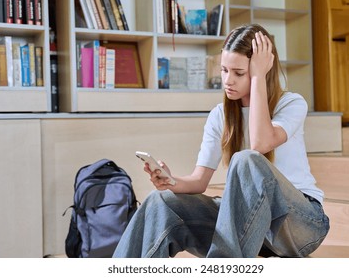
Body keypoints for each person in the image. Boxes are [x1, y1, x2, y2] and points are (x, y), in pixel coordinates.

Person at [113, 24, 330, 258]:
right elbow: (199, 181)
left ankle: (221, 267)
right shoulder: (220, 115)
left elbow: (261, 144)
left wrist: (258, 77)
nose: (228, 80)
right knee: (161, 202)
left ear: (263, 70)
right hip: (249, 227)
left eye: (239, 73)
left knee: (247, 160)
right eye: (224, 70)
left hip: (299, 225)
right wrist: (171, 181)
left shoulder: (292, 103)